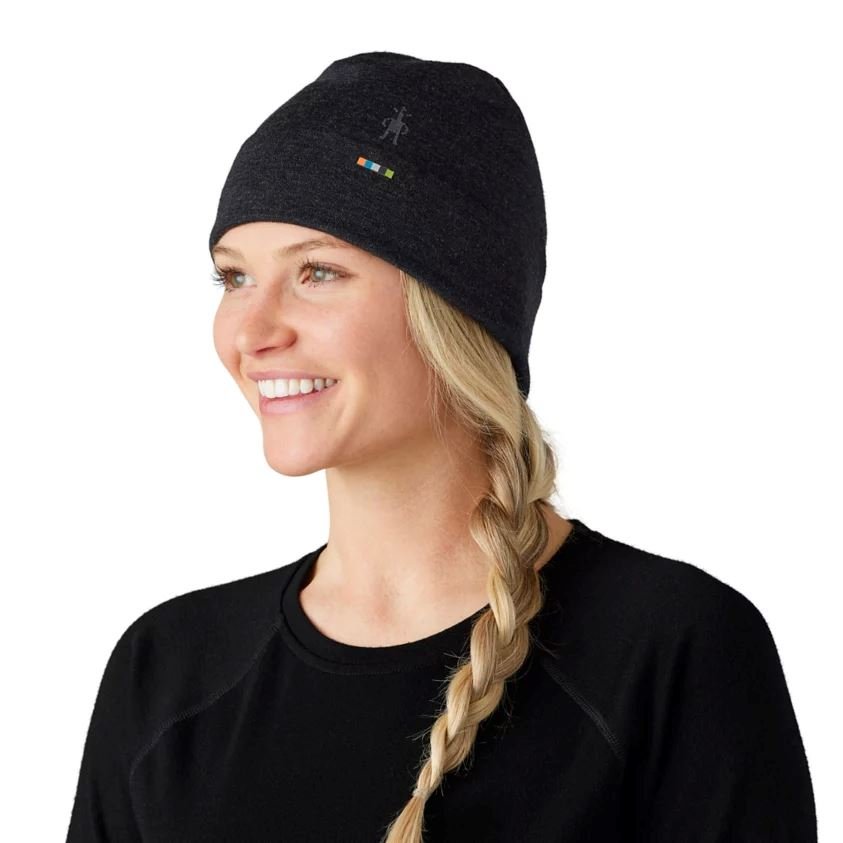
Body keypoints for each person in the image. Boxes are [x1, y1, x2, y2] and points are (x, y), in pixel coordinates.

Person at [65, 51, 817, 843]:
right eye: (233, 278)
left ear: (454, 310)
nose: (251, 332)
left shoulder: (669, 650)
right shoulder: (168, 670)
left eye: (317, 271)